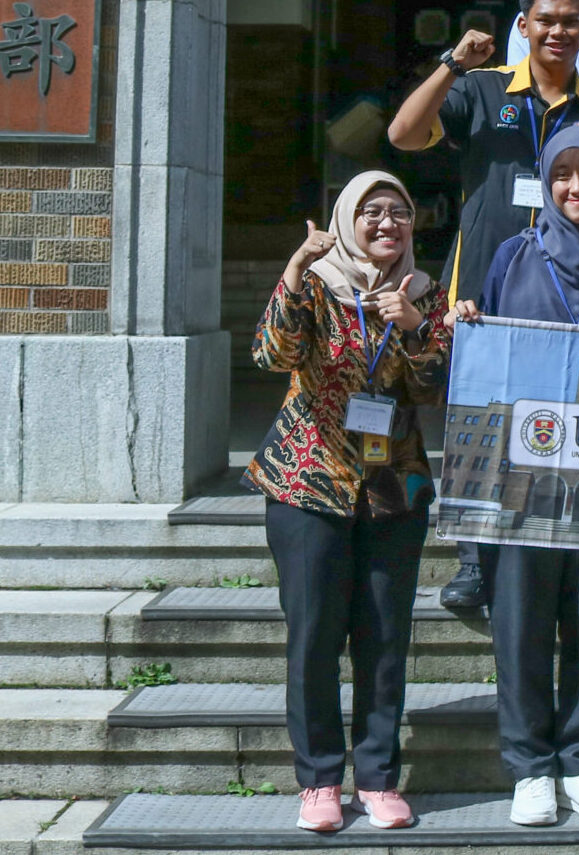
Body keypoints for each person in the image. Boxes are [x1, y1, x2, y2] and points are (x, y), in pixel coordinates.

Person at [449, 126, 579, 827]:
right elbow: (482, 349)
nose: (577, 186)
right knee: (520, 622)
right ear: (546, 181)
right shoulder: (513, 254)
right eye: (563, 173)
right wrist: (469, 317)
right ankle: (529, 767)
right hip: (522, 472)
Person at [388, 0, 579, 615]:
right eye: (546, 20)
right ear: (524, 26)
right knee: (478, 430)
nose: (558, 31)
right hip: (481, 297)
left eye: (571, 21)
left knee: (559, 426)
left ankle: (556, 550)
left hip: (569, 302)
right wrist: (451, 64)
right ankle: (472, 562)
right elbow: (403, 135)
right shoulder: (483, 90)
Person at [245, 172, 450, 834]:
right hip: (308, 482)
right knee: (314, 636)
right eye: (372, 212)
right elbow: (272, 352)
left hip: (393, 489)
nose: (387, 223)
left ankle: (380, 778)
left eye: (399, 212)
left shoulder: (424, 293)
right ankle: (319, 779)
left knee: (385, 638)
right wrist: (296, 268)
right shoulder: (318, 285)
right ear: (347, 219)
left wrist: (418, 327)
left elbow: (434, 390)